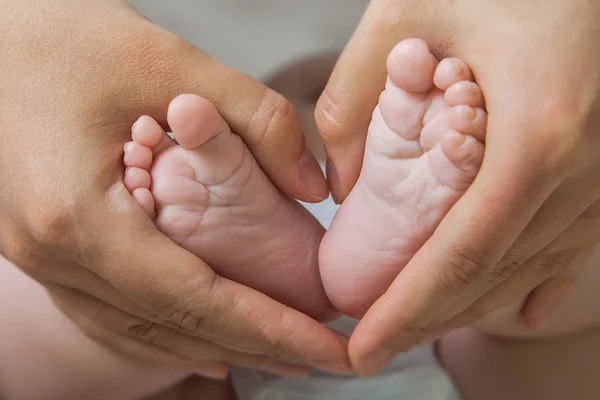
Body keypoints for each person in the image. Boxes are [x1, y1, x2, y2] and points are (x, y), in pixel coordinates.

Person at [1, 0, 600, 393]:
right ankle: (479, 281)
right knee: (548, 305)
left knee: (63, 330)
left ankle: (184, 286)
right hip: (473, 329)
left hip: (198, 345)